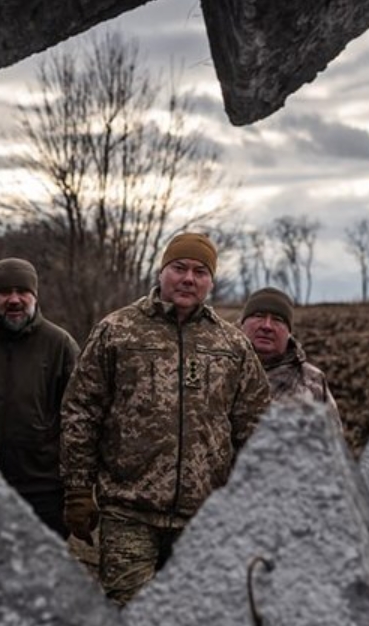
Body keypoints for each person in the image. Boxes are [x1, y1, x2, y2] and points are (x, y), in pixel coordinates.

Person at [61, 232, 269, 604]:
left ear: (210, 281)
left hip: (204, 519)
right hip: (129, 511)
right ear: (162, 272)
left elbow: (256, 428)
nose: (189, 278)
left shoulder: (232, 345)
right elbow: (81, 410)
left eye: (200, 272)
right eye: (179, 268)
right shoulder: (117, 331)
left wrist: (253, 500)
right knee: (133, 613)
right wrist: (78, 489)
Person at [0, 257, 79, 536]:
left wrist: (77, 489)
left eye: (23, 292)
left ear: (35, 296)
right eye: (4, 292)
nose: (14, 300)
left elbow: (79, 420)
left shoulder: (60, 345)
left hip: (44, 492)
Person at [240, 287, 339, 414]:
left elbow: (331, 433)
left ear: (289, 332)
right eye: (259, 316)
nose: (267, 326)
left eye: (277, 320)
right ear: (242, 324)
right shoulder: (218, 370)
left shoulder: (313, 381)